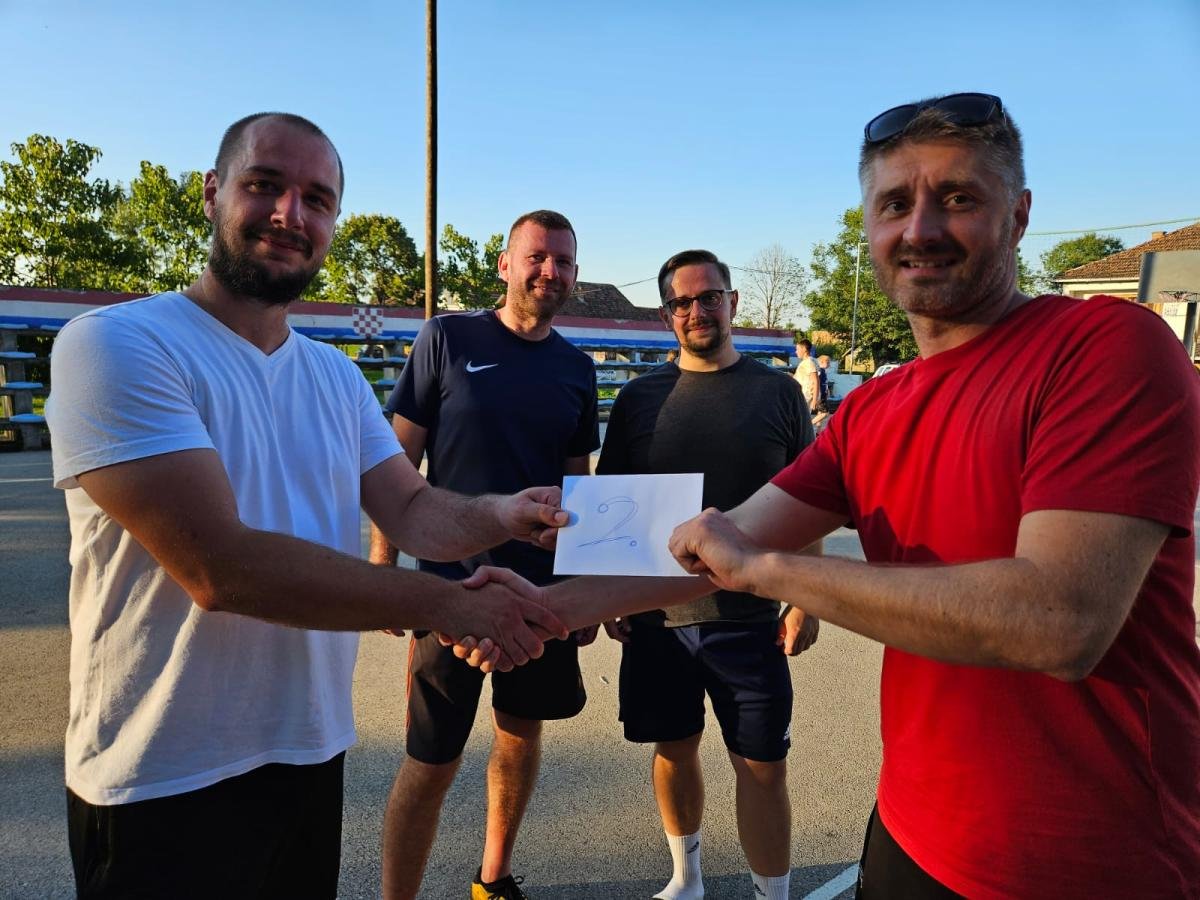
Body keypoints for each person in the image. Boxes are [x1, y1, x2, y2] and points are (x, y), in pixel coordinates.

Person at [460, 92, 1200, 899]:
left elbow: (1062, 622)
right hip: (912, 832)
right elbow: (711, 548)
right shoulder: (874, 411)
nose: (920, 229)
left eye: (958, 197)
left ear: (1019, 215)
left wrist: (773, 576)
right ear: (871, 230)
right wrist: (542, 610)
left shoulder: (1104, 349)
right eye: (894, 204)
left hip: (1094, 858)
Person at [44, 113, 568, 900]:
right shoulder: (116, 344)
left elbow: (412, 507)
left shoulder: (333, 377)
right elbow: (220, 568)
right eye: (265, 185)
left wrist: (502, 513)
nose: (291, 214)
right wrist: (452, 605)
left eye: (317, 199)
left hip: (306, 752)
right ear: (212, 192)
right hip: (159, 772)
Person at [372, 210, 599, 900]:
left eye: (563, 261)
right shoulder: (446, 338)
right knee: (430, 760)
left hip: (539, 598)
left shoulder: (576, 368)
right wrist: (384, 569)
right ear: (504, 264)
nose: (550, 272)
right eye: (537, 257)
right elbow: (397, 462)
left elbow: (579, 485)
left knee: (520, 737)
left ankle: (492, 880)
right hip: (450, 593)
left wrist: (585, 589)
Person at [597, 249, 817, 900]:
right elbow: (615, 505)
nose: (697, 311)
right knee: (673, 749)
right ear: (667, 313)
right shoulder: (638, 398)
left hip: (751, 619)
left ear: (732, 302)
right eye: (682, 302)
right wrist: (607, 597)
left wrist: (807, 600)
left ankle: (772, 895)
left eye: (709, 297)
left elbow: (814, 500)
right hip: (658, 620)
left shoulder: (778, 393)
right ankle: (686, 877)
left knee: (763, 768)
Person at [792, 338, 819, 416]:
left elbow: (816, 381)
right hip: (802, 395)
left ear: (804, 349)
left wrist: (814, 400)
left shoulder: (809, 362)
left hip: (806, 396)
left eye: (797, 349)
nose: (796, 352)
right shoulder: (807, 362)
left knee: (801, 418)